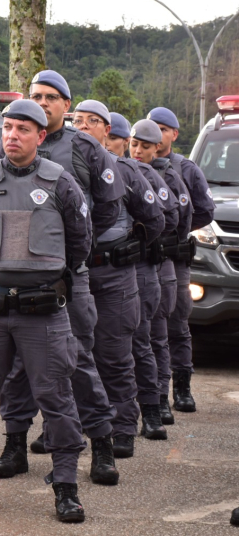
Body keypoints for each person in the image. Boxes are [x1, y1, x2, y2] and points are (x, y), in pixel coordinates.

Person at [0, 99, 90, 523]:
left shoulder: (62, 183)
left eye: (23, 129)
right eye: (7, 128)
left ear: (41, 137)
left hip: (43, 313)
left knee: (57, 400)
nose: (12, 136)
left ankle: (66, 488)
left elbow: (80, 242)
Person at [0, 71, 125, 483]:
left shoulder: (84, 147)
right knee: (17, 368)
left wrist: (71, 254)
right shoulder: (6, 146)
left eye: (51, 97)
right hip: (17, 279)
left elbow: (106, 208)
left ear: (68, 105)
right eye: (35, 96)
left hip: (68, 278)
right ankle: (15, 446)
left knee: (77, 361)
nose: (43, 103)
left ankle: (101, 446)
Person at [73, 101, 168, 444]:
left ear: (107, 131)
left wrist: (128, 248)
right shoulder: (57, 168)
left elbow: (156, 220)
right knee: (71, 357)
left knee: (115, 357)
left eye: (92, 122)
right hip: (74, 275)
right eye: (78, 120)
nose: (83, 127)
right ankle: (74, 426)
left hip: (114, 275)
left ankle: (124, 428)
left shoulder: (126, 171)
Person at [105, 112, 177, 448]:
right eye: (132, 142)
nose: (134, 148)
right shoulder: (87, 167)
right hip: (101, 271)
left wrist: (140, 245)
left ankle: (150, 409)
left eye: (138, 144)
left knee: (140, 342)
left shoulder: (139, 172)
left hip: (140, 270)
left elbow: (173, 216)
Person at [148, 107, 215, 417]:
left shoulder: (185, 169)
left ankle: (182, 389)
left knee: (177, 325)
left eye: (164, 128)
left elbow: (204, 210)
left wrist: (177, 230)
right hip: (143, 260)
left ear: (174, 134)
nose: (158, 134)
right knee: (147, 330)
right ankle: (152, 392)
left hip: (174, 259)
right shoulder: (135, 165)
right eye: (153, 128)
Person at [129, 119, 192, 450]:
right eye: (133, 144)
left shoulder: (169, 177)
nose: (137, 151)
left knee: (159, 336)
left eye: (145, 146)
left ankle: (161, 401)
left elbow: (186, 217)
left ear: (159, 147)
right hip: (127, 267)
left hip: (159, 265)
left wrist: (163, 245)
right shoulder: (123, 171)